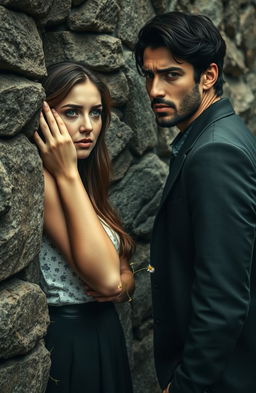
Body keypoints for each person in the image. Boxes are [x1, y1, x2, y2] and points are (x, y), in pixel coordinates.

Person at [134, 11, 256, 393]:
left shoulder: (216, 152)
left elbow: (223, 295)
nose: (155, 89)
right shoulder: (211, 136)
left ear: (208, 76)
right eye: (149, 74)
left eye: (171, 74)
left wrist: (186, 384)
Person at [34, 61, 135, 393]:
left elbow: (121, 272)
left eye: (96, 113)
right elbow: (106, 278)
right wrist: (66, 174)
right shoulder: (50, 181)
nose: (88, 126)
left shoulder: (86, 180)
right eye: (72, 112)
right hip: (71, 340)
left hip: (105, 332)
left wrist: (125, 285)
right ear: (47, 119)